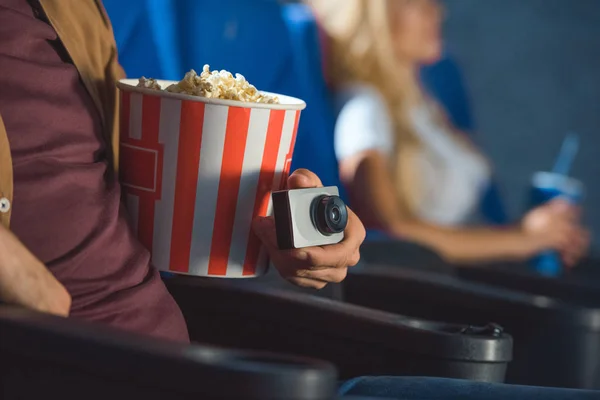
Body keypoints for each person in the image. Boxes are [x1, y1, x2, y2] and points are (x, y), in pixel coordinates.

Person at [0, 1, 598, 399]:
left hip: (209, 358)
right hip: (88, 366)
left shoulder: (74, 9)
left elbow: (134, 188)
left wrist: (284, 223)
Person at [309, 0, 590, 266]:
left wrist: (539, 234)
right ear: (376, 21)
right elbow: (392, 230)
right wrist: (523, 239)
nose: (437, 12)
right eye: (416, 4)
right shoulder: (364, 106)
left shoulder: (422, 103)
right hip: (437, 292)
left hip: (482, 273)